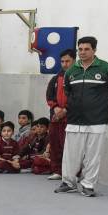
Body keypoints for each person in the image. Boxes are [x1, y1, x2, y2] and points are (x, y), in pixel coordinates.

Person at [58, 36, 108, 196]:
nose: (82, 52)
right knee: (71, 153)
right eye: (80, 49)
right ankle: (68, 182)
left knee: (93, 154)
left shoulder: (106, 68)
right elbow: (67, 91)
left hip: (97, 120)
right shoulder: (71, 71)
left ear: (94, 50)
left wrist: (100, 104)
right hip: (74, 119)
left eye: (86, 49)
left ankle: (88, 185)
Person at [46, 49, 75, 181]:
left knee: (69, 147)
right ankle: (57, 170)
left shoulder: (77, 78)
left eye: (67, 61)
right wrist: (56, 107)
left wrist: (65, 110)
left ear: (74, 61)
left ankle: (72, 173)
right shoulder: (55, 78)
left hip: (70, 118)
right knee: (55, 144)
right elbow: (49, 95)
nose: (64, 64)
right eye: (62, 61)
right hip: (55, 118)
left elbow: (77, 98)